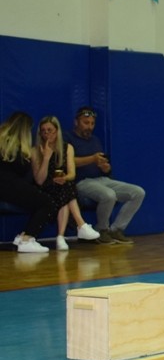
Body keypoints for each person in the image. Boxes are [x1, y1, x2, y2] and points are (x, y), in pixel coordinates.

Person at [66, 106, 146, 244]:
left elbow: (102, 164)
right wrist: (92, 159)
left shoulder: (95, 140)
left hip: (102, 179)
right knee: (109, 195)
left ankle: (116, 229)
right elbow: (68, 162)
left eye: (92, 124)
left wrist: (105, 168)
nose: (89, 127)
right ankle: (101, 230)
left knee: (138, 192)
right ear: (76, 122)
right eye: (86, 123)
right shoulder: (68, 138)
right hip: (82, 181)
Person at [31, 116, 101, 250]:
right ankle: (80, 226)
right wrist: (46, 158)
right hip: (44, 187)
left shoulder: (67, 148)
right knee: (66, 190)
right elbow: (39, 180)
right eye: (43, 131)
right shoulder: (35, 151)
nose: (47, 134)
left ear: (57, 131)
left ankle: (61, 236)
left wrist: (64, 178)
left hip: (62, 185)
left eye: (50, 130)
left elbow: (72, 174)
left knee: (65, 187)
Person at [0, 112, 62, 254]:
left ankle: (22, 238)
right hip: (8, 184)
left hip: (6, 185)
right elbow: (21, 170)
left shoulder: (3, 140)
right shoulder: (18, 147)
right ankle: (28, 238)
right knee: (47, 203)